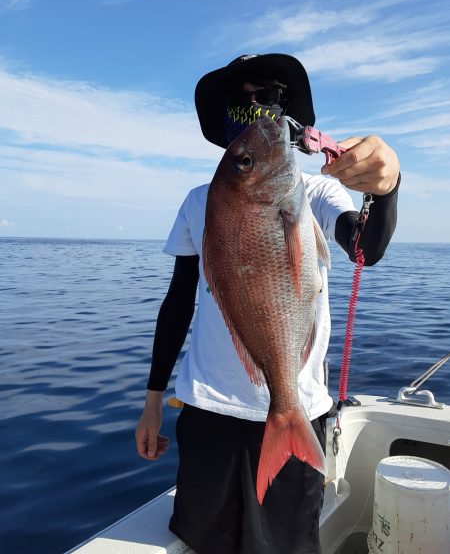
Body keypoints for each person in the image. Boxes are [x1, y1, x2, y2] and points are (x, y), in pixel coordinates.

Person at [135, 53, 400, 554]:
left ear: (291, 113)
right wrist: (152, 402)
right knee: (202, 541)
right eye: (244, 99)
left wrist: (387, 190)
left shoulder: (319, 192)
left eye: (272, 97)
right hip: (207, 406)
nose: (259, 107)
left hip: (296, 405)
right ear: (228, 118)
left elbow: (366, 248)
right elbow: (177, 304)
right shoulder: (201, 200)